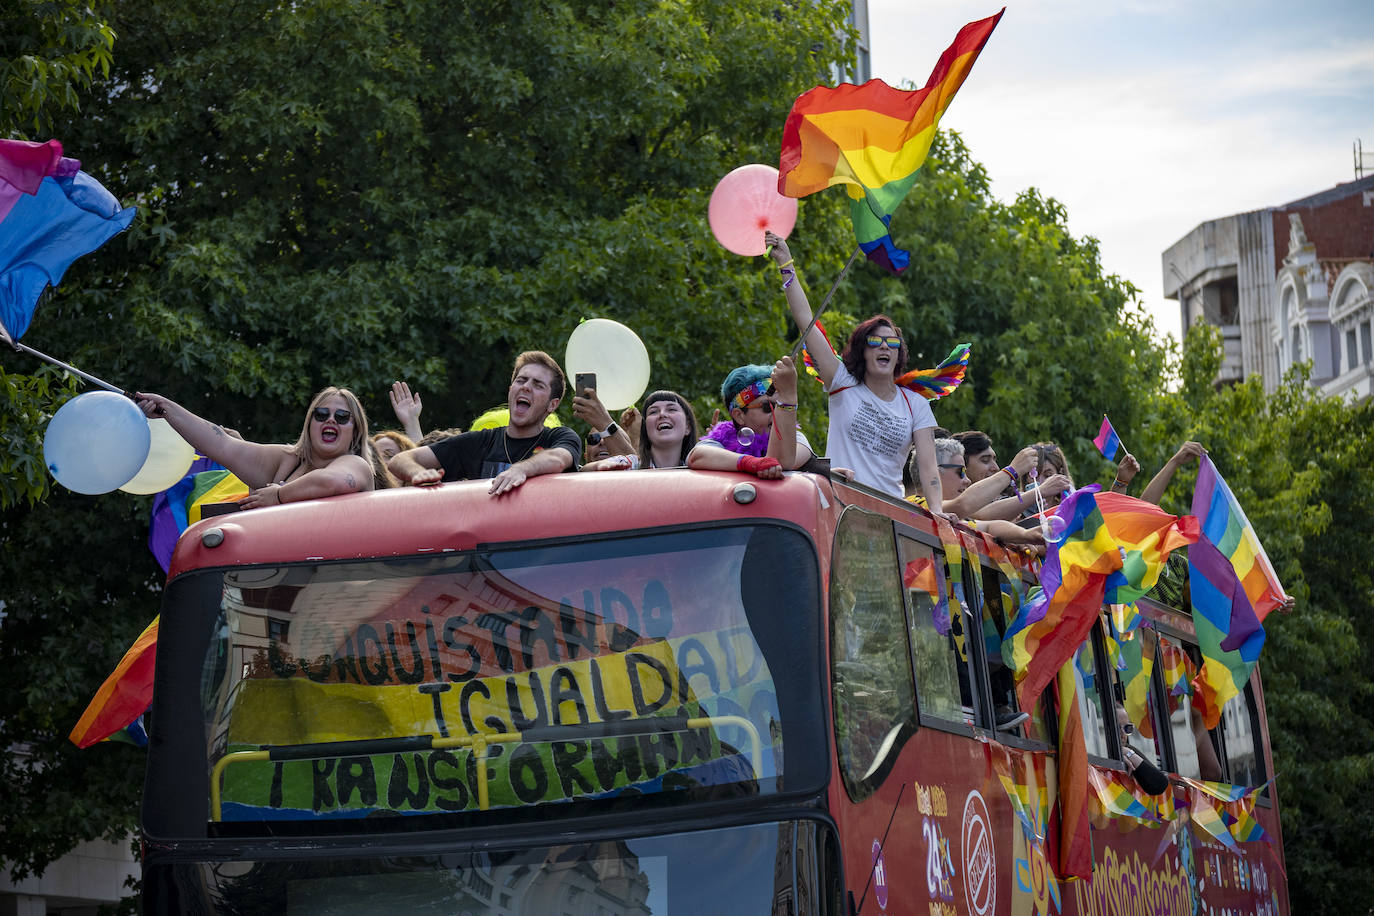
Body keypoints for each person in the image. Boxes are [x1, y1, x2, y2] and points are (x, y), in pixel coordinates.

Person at [766, 231, 951, 518]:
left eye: (892, 343)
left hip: (891, 516)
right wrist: (786, 263)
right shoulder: (842, 382)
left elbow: (928, 467)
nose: (884, 347)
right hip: (841, 507)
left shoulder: (916, 404)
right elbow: (806, 321)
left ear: (899, 354)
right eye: (876, 341)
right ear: (863, 351)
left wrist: (937, 511)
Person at [134, 386, 375, 508]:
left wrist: (279, 495)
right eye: (321, 414)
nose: (330, 420)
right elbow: (222, 445)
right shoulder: (286, 460)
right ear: (309, 424)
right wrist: (166, 408)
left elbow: (331, 482)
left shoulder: (356, 464)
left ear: (356, 432)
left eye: (342, 417)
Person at [387, 351, 582, 496]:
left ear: (552, 404)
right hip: (487, 547)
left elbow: (558, 458)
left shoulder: (560, 437)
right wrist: (419, 473)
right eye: (521, 380)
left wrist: (521, 469)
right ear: (510, 390)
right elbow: (399, 461)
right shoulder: (481, 440)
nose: (526, 387)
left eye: (537, 384)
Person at [687, 357, 809, 479]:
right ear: (739, 416)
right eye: (768, 406)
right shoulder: (721, 441)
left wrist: (788, 396)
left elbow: (782, 462)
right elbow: (697, 456)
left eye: (779, 405)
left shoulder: (796, 439)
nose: (777, 413)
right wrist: (749, 463)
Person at [584, 390, 700, 471]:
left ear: (688, 427)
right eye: (653, 412)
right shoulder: (632, 465)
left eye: (671, 409)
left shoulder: (701, 465)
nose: (662, 414)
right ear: (645, 429)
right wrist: (597, 467)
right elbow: (584, 470)